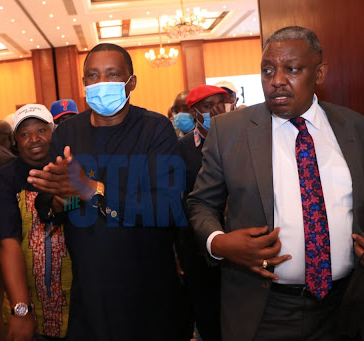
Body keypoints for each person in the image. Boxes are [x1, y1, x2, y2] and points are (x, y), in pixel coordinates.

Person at [186, 26, 364, 341]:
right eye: (267, 70)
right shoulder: (230, 131)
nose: (277, 79)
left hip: (347, 306)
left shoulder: (354, 127)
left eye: (292, 69)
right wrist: (218, 243)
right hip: (265, 308)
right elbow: (200, 204)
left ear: (320, 73)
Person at [26, 43, 187, 341]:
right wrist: (61, 199)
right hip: (91, 292)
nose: (101, 84)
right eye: (93, 76)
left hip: (149, 292)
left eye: (112, 75)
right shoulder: (67, 133)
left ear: (131, 82)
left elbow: (164, 208)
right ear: (84, 83)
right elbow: (48, 204)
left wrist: (90, 188)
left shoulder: (155, 129)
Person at [0, 104, 72, 341]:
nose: (34, 139)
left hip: (81, 309)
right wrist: (21, 311)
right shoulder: (3, 180)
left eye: (41, 130)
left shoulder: (72, 170)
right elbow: (6, 243)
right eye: (24, 134)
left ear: (54, 132)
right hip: (32, 310)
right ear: (15, 140)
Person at [176, 84, 228, 341]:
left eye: (220, 103)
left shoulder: (238, 139)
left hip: (235, 245)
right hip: (196, 249)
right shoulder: (182, 149)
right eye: (208, 106)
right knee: (208, 316)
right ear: (195, 112)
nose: (216, 110)